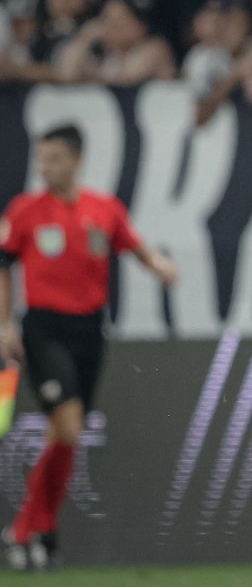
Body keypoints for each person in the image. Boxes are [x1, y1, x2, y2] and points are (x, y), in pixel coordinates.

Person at [0, 125, 177, 571]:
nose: (46, 167)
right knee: (68, 426)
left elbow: (134, 246)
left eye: (55, 158)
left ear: (77, 160)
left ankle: (39, 531)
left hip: (88, 330)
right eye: (42, 159)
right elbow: (3, 265)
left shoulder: (103, 209)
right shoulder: (25, 211)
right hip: (43, 329)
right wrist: (4, 324)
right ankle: (25, 529)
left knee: (65, 437)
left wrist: (159, 266)